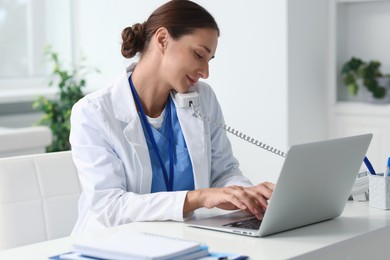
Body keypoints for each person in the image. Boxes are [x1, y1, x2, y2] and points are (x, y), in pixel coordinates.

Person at [70, 0, 275, 234]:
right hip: (114, 245)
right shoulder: (93, 113)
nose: (205, 72)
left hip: (183, 241)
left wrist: (247, 196)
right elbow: (110, 207)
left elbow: (224, 172)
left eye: (209, 60)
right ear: (162, 39)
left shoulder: (202, 98)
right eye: (199, 55)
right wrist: (198, 198)